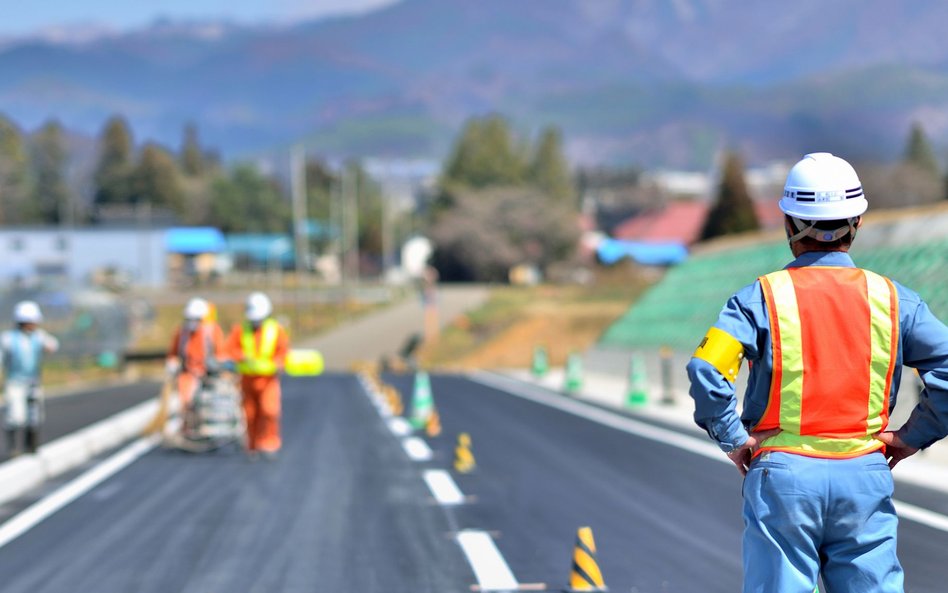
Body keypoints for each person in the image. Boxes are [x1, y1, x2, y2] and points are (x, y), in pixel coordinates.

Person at [687, 152, 948, 593]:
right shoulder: (894, 299)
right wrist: (911, 437)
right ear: (857, 223)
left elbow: (707, 369)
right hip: (864, 471)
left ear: (789, 223)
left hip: (783, 476)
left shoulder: (758, 299)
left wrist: (734, 439)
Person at [226, 292, 289, 460]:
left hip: (267, 380)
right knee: (250, 413)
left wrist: (279, 363)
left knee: (269, 411)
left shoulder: (275, 330)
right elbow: (230, 349)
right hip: (247, 379)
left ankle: (269, 444)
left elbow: (283, 351)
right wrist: (240, 356)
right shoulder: (241, 330)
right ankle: (252, 446)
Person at [1, 301, 59, 456]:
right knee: (15, 416)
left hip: (33, 381)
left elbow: (53, 345)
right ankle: (13, 447)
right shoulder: (8, 338)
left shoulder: (38, 337)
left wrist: (46, 345)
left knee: (34, 415)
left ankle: (31, 445)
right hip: (15, 382)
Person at [165, 297, 227, 431]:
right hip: (188, 373)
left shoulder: (211, 331)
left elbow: (221, 353)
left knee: (212, 402)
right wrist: (172, 363)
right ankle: (187, 429)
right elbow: (173, 353)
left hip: (209, 374)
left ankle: (206, 427)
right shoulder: (182, 333)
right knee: (185, 401)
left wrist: (217, 366)